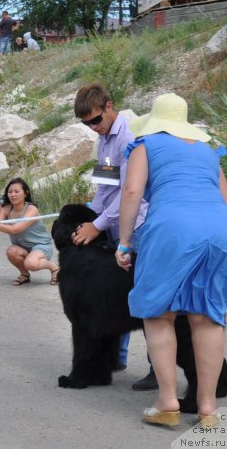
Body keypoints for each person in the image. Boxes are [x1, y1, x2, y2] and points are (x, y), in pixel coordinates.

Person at [115, 93, 227, 428]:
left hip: (172, 229)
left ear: (154, 121)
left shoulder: (145, 144)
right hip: (219, 228)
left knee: (159, 314)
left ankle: (167, 403)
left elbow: (132, 192)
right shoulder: (208, 151)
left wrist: (124, 242)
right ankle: (207, 408)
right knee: (208, 316)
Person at [73, 82, 152, 384]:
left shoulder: (128, 137)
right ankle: (115, 357)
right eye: (86, 123)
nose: (93, 127)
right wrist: (90, 215)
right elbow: (105, 187)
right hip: (115, 226)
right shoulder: (104, 141)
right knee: (116, 294)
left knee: (146, 297)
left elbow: (131, 192)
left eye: (96, 119)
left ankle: (157, 368)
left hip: (138, 227)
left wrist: (97, 224)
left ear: (109, 106)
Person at [0, 177, 59, 286]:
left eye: (16, 191)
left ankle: (54, 268)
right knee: (11, 251)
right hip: (21, 247)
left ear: (25, 193)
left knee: (31, 264)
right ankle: (24, 275)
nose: (13, 195)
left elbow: (15, 229)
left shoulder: (31, 209)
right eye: (10, 192)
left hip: (41, 246)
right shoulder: (6, 208)